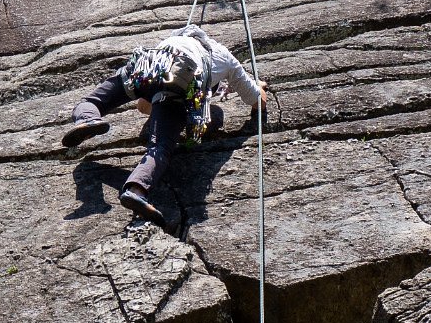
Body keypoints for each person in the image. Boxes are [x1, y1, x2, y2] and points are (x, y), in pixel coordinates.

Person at [61, 24, 273, 222]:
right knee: (159, 147)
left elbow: (143, 107)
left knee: (91, 102)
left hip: (144, 70)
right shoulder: (224, 56)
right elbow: (258, 101)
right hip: (179, 84)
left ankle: (88, 120)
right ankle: (135, 191)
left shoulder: (170, 42)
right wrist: (258, 86)